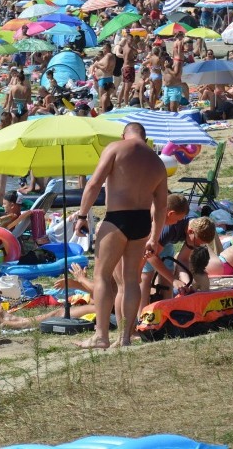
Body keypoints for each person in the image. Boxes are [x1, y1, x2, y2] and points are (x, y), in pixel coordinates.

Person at [74, 122, 168, 349]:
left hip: (117, 218)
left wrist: (82, 215)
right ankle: (125, 337)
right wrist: (154, 238)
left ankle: (101, 336)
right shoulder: (157, 162)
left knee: (103, 276)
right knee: (130, 280)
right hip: (142, 221)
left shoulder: (116, 148)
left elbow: (94, 183)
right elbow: (162, 206)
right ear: (145, 138)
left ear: (124, 134)